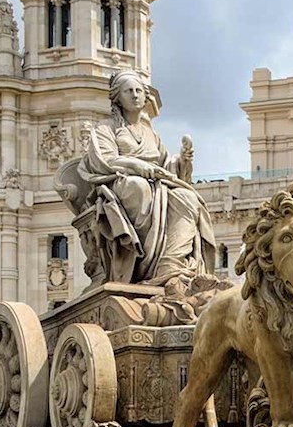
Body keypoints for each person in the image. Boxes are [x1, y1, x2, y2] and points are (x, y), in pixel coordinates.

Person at [58, 70, 217, 288]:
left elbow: (166, 165)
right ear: (118, 98)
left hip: (158, 185)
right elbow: (105, 160)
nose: (134, 95)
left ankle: (169, 263)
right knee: (139, 188)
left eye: (139, 91)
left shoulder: (151, 134)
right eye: (129, 91)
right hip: (120, 184)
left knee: (187, 197)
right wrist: (138, 167)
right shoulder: (106, 128)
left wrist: (183, 161)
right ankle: (142, 264)